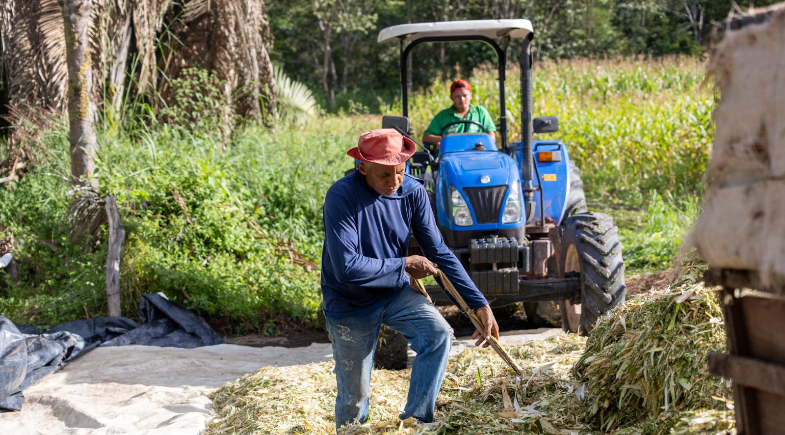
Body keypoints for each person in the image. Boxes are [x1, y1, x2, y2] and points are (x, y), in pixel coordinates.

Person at [321, 128, 500, 431]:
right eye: (384, 175)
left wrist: (478, 302)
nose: (394, 183)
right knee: (355, 396)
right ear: (362, 167)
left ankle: (416, 420)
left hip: (393, 292)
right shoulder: (341, 196)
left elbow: (439, 253)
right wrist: (404, 264)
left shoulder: (413, 192)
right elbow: (347, 268)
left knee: (438, 335)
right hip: (349, 300)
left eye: (400, 172)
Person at [422, 80, 497, 153]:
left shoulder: (480, 112)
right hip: (450, 154)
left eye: (465, 95)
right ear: (451, 98)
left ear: (471, 95)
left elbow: (491, 134)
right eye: (457, 96)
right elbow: (426, 137)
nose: (462, 99)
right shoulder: (443, 116)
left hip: (477, 154)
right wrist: (445, 140)